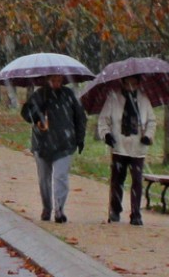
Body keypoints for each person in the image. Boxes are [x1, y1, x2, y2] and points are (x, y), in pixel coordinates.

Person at [21, 74, 87, 224]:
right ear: (47, 80)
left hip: (65, 143)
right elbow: (26, 114)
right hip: (42, 144)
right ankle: (47, 207)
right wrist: (38, 111)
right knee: (44, 179)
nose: (56, 83)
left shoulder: (69, 95)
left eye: (59, 80)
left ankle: (59, 209)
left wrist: (80, 138)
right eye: (53, 80)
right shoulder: (39, 95)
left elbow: (80, 117)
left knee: (60, 177)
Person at [97, 74, 156, 226]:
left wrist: (148, 136)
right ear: (122, 83)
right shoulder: (113, 98)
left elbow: (151, 121)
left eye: (134, 84)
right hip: (119, 146)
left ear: (138, 84)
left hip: (138, 147)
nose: (131, 87)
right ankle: (115, 210)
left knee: (137, 180)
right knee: (117, 180)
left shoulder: (143, 99)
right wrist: (106, 134)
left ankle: (136, 214)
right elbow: (103, 120)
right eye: (128, 83)